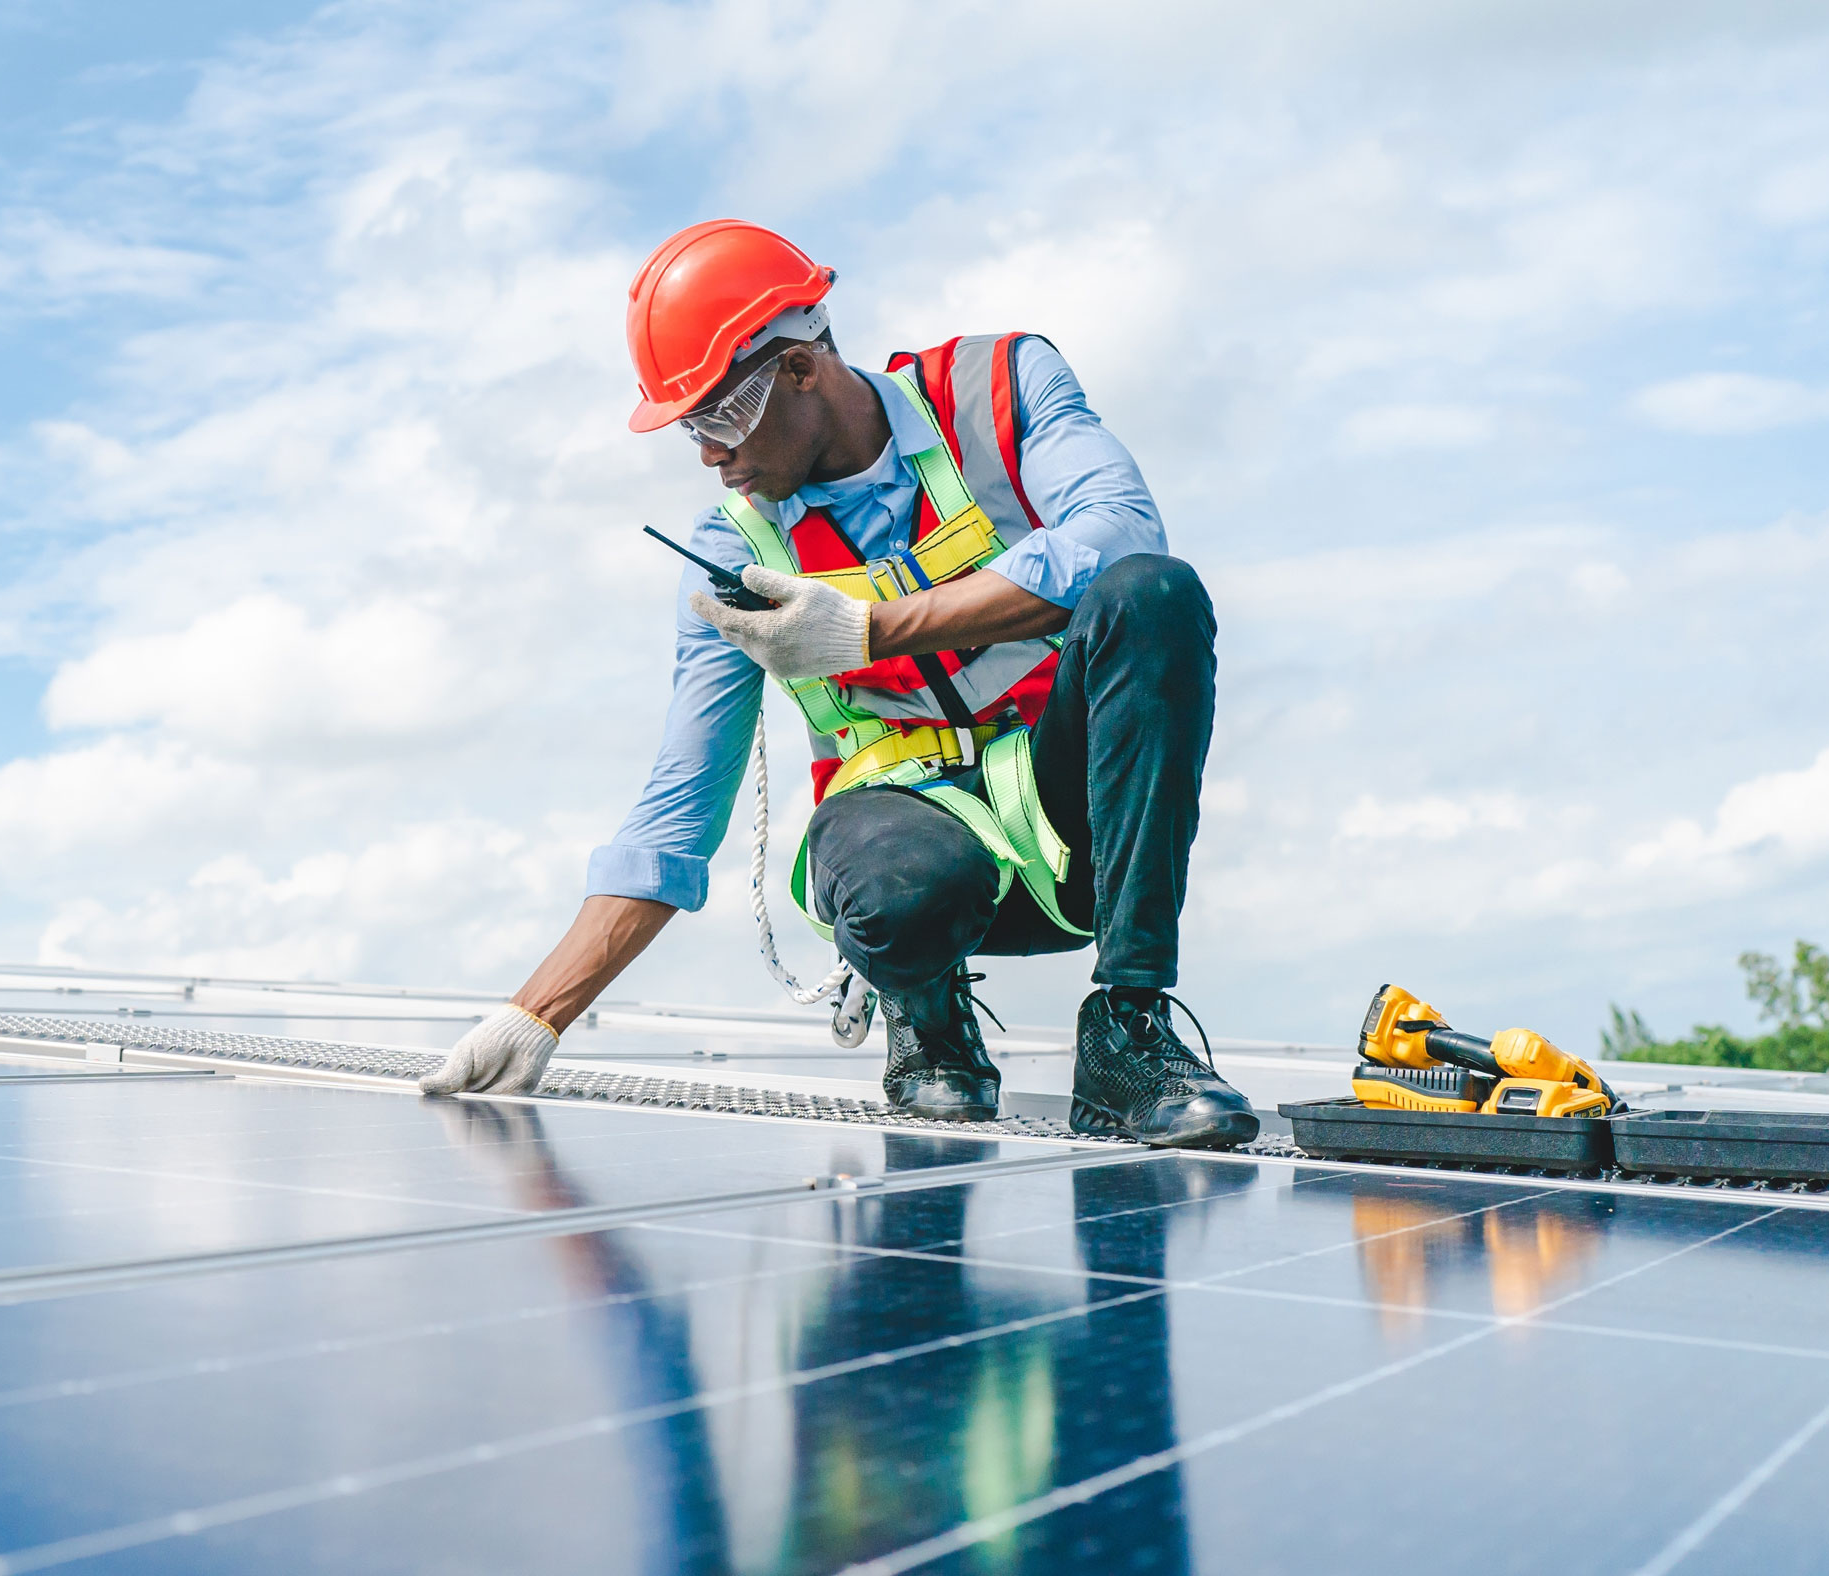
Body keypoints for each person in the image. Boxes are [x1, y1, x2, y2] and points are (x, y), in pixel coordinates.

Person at [421, 219, 1258, 1148]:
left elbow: (1125, 534)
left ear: (800, 369)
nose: (707, 453)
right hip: (911, 871)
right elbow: (680, 808)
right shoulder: (731, 555)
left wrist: (869, 628)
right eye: (687, 427)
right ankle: (930, 1023)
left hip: (1076, 840)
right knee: (899, 886)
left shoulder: (1002, 388)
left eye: (717, 415)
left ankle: (1129, 1031)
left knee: (1153, 597)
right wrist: (538, 1013)